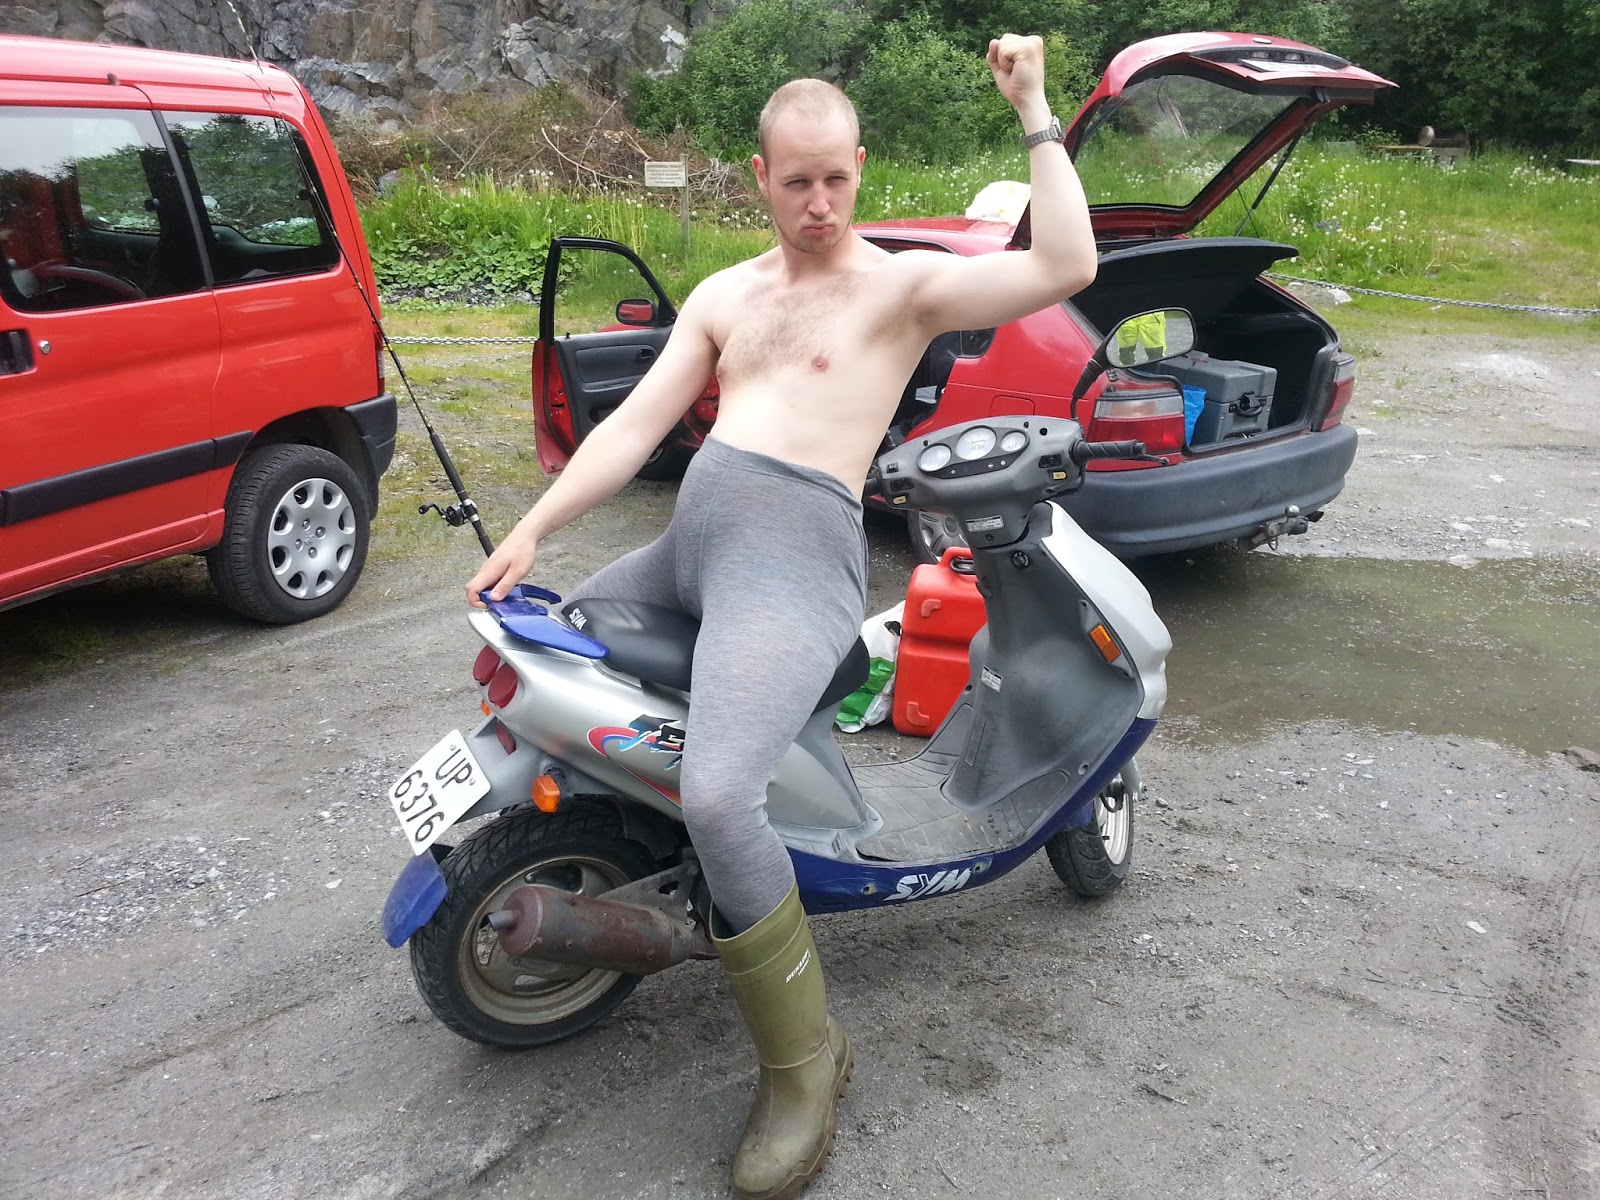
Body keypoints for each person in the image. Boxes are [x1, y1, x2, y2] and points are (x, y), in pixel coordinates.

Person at [466, 33, 1096, 1199]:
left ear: (859, 169)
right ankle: (625, 880)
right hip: (687, 552)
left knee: (719, 791)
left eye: (836, 179)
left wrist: (1035, 111)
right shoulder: (725, 294)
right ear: (759, 176)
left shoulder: (902, 288)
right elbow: (632, 426)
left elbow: (1065, 262)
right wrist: (534, 528)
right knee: (552, 663)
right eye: (796, 181)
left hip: (792, 566)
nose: (818, 203)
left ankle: (806, 1063)